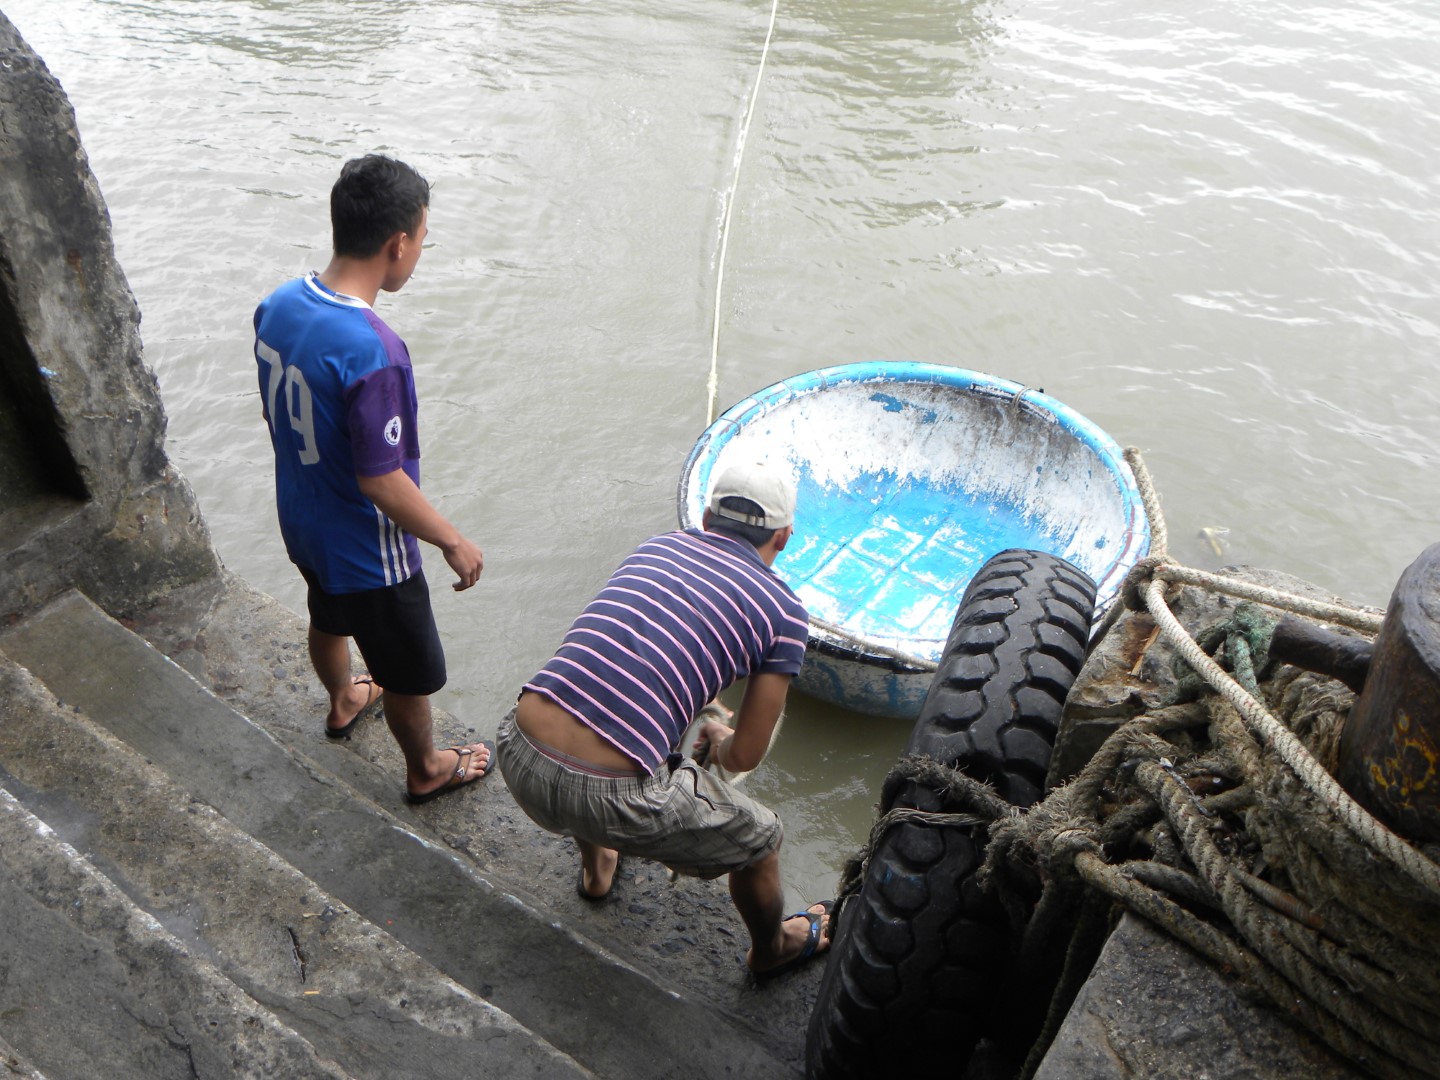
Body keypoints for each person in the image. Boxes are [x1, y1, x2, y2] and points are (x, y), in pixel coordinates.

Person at [496, 461, 833, 979]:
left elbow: (627, 665)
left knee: (601, 708)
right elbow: (745, 753)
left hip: (517, 748)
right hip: (605, 795)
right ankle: (773, 949)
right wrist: (719, 742)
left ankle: (597, 869)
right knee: (763, 839)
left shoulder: (657, 546)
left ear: (706, 518)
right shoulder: (785, 611)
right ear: (784, 538)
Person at [253, 153, 492, 804]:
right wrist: (452, 540)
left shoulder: (278, 305)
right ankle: (427, 768)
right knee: (408, 672)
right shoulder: (373, 351)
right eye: (423, 238)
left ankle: (342, 698)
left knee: (327, 615)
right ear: (399, 243)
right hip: (367, 551)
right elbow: (381, 481)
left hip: (302, 520)